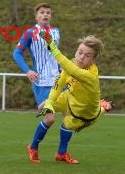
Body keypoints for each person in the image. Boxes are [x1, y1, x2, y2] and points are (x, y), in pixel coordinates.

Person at [30, 32, 113, 164]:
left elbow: (72, 70)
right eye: (80, 52)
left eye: (87, 55)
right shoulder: (73, 62)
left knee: (67, 124)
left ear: (93, 60)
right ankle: (32, 148)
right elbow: (59, 82)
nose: (81, 57)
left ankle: (61, 154)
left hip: (82, 113)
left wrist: (52, 47)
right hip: (69, 97)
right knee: (47, 113)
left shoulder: (90, 76)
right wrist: (50, 102)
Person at [13, 3, 61, 163]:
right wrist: (27, 70)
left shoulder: (56, 32)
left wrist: (64, 72)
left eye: (48, 12)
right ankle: (33, 147)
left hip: (58, 79)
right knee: (50, 119)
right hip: (42, 81)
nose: (45, 15)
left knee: (70, 116)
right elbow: (17, 53)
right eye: (42, 12)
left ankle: (62, 153)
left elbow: (56, 56)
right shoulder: (30, 33)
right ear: (37, 16)